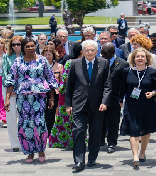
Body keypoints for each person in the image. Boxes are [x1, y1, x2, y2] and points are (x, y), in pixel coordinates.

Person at [4, 38, 58, 163]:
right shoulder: (18, 62)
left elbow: (50, 79)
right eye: (28, 46)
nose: (31, 48)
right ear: (23, 48)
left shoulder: (42, 60)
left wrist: (51, 98)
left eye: (32, 46)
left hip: (39, 97)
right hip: (23, 99)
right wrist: (7, 99)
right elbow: (11, 80)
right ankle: (29, 152)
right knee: (25, 124)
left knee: (39, 123)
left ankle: (41, 149)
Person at [65, 40, 111, 172]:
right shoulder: (75, 63)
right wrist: (68, 104)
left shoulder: (104, 63)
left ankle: (92, 158)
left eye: (92, 50)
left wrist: (104, 101)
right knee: (78, 131)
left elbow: (107, 85)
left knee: (95, 132)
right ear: (82, 52)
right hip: (79, 103)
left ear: (96, 51)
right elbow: (70, 86)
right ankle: (79, 161)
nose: (89, 52)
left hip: (97, 105)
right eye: (87, 50)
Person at [119, 48, 156, 167]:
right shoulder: (127, 71)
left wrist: (153, 93)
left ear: (147, 59)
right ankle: (135, 156)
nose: (140, 58)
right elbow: (122, 87)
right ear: (133, 59)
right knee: (133, 131)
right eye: (137, 56)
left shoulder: (152, 72)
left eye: (142, 56)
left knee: (146, 130)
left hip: (147, 104)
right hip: (131, 105)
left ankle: (142, 152)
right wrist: (120, 100)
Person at [49, 43, 83, 148]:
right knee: (66, 119)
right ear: (81, 51)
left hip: (76, 94)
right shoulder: (70, 62)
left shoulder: (84, 62)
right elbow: (65, 79)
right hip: (72, 94)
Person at [100, 42, 129, 153]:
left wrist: (122, 98)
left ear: (113, 52)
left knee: (113, 122)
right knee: (100, 120)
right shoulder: (99, 61)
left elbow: (124, 83)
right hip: (100, 98)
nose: (102, 55)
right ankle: (101, 140)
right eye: (101, 52)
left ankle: (112, 143)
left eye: (105, 53)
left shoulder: (123, 64)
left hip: (114, 98)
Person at [2, 35, 23, 152]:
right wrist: (11, 89)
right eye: (13, 44)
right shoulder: (7, 57)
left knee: (23, 117)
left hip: (24, 90)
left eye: (18, 44)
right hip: (9, 90)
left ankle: (24, 140)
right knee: (11, 116)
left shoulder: (27, 56)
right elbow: (5, 74)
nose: (16, 47)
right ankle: (15, 143)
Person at [41, 46, 63, 136]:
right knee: (43, 113)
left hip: (54, 92)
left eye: (49, 54)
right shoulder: (40, 66)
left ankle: (50, 133)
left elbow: (61, 80)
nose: (47, 56)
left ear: (53, 55)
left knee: (51, 113)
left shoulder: (59, 66)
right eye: (45, 54)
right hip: (42, 92)